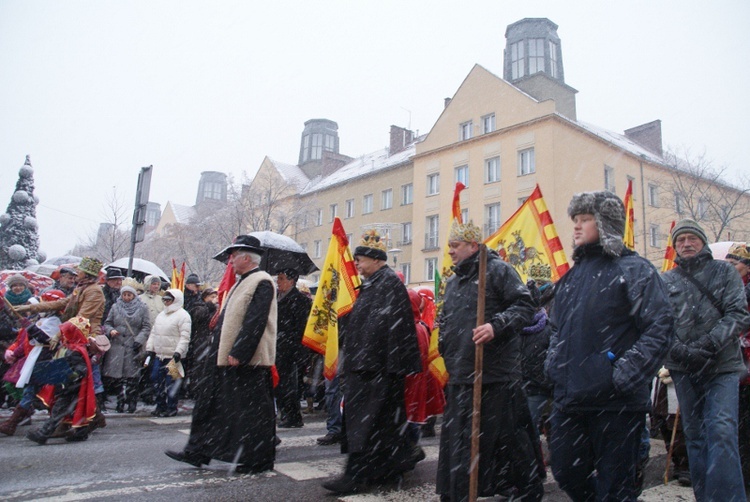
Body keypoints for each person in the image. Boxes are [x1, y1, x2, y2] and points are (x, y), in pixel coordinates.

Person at [545, 192, 674, 502]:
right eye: (575, 220)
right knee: (565, 470)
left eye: (585, 220)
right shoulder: (571, 277)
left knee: (616, 485)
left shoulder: (635, 269)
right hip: (570, 398)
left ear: (605, 223)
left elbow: (660, 327)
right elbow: (555, 329)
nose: (576, 227)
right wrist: (553, 364)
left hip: (617, 402)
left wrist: (623, 373)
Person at [436, 220, 542, 502]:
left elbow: (524, 306)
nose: (450, 252)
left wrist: (497, 326)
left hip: (495, 374)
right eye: (449, 246)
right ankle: (458, 491)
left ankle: (526, 489)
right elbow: (447, 319)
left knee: (508, 438)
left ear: (473, 246)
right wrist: (444, 344)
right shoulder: (454, 279)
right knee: (461, 441)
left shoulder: (497, 270)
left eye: (455, 246)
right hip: (462, 373)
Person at [165, 235, 278, 474]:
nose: (231, 261)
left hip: (248, 360)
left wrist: (240, 352)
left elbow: (255, 321)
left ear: (247, 258)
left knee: (251, 412)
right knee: (209, 404)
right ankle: (197, 451)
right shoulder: (242, 282)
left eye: (234, 256)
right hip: (223, 355)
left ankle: (258, 459)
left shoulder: (262, 281)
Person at [322, 229, 422, 494]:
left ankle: (356, 476)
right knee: (381, 423)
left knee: (365, 424)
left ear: (377, 260)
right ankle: (395, 462)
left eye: (361, 259)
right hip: (370, 366)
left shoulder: (388, 283)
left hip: (375, 368)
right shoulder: (373, 284)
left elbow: (391, 329)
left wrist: (382, 366)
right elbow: (365, 324)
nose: (357, 264)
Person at [662, 220, 750, 501]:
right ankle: (706, 497)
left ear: (703, 242)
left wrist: (708, 344)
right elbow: (657, 324)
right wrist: (681, 351)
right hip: (683, 369)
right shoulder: (666, 280)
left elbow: (738, 315)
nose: (686, 244)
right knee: (696, 436)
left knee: (722, 431)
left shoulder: (725, 272)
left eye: (692, 238)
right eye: (680, 240)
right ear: (675, 246)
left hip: (721, 367)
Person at [14, 256, 107, 430]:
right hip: (73, 338)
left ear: (86, 274)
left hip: (84, 340)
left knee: (72, 384)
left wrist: (58, 334)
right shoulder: (81, 288)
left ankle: (77, 421)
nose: (76, 273)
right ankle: (87, 419)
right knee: (73, 384)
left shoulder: (94, 291)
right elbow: (61, 303)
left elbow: (82, 318)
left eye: (79, 271)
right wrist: (29, 308)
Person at [26, 316, 97, 444]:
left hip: (71, 387)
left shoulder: (76, 350)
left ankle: (43, 433)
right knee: (73, 409)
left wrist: (69, 378)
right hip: (68, 386)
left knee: (59, 410)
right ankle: (81, 433)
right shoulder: (70, 347)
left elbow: (81, 370)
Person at [102, 285, 151, 413]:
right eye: (124, 295)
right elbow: (107, 323)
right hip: (117, 347)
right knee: (117, 378)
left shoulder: (142, 308)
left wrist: (139, 340)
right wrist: (111, 330)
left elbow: (146, 327)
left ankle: (131, 402)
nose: (126, 298)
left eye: (129, 295)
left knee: (132, 378)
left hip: (132, 347)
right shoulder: (115, 307)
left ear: (134, 296)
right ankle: (120, 401)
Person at [145, 289, 191, 418]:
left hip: (173, 356)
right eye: (164, 300)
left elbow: (185, 336)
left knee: (172, 383)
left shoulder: (183, 315)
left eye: (169, 300)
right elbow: (154, 333)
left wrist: (179, 352)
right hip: (160, 354)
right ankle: (160, 406)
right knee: (156, 380)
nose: (166, 303)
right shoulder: (161, 315)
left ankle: (171, 407)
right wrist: (150, 348)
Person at [275, 268, 312, 428]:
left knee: (290, 385)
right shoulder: (276, 298)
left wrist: (296, 349)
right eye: (278, 278)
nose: (278, 281)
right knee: (280, 384)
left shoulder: (300, 300)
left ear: (291, 281)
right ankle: (285, 412)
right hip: (278, 347)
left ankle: (293, 416)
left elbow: (301, 328)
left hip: (292, 350)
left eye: (282, 278)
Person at [725, 243, 750, 485]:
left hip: (745, 366)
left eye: (735, 264)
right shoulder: (731, 288)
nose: (731, 268)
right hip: (737, 369)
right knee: (739, 427)